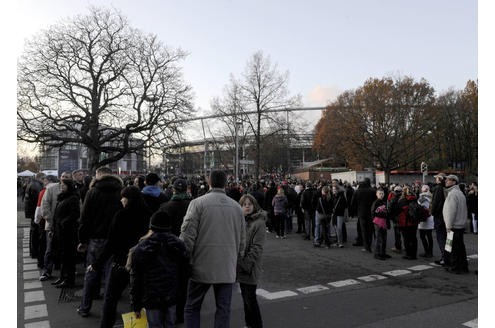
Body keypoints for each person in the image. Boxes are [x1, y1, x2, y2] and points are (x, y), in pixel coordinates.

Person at [179, 170, 246, 328]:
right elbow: (243, 240)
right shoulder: (236, 207)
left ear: (209, 182)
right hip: (227, 266)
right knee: (223, 310)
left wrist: (185, 259)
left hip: (200, 265)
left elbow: (187, 236)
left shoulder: (197, 203)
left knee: (192, 307)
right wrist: (238, 258)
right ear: (225, 183)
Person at [87, 186, 153, 328]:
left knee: (111, 298)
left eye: (123, 197)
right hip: (142, 263)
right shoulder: (148, 214)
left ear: (128, 199)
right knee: (137, 300)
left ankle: (106, 325)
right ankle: (137, 325)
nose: (121, 200)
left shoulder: (121, 215)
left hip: (121, 262)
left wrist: (96, 264)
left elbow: (111, 243)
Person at [77, 167, 124, 317]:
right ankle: (109, 310)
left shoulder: (92, 192)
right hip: (115, 238)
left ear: (98, 176)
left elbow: (85, 218)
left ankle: (85, 307)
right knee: (111, 276)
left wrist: (82, 240)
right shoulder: (120, 191)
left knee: (92, 272)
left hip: (96, 238)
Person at [130, 211, 189, 327]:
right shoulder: (179, 245)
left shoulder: (141, 248)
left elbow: (136, 279)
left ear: (151, 226)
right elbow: (184, 276)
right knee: (170, 323)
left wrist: (135, 304)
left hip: (151, 297)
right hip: (172, 296)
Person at [157, 178, 192, 324]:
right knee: (184, 284)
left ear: (173, 190)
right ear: (186, 189)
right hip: (187, 248)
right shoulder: (193, 205)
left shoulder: (165, 206)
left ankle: (170, 313)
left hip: (169, 249)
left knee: (170, 282)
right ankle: (180, 314)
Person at [237, 194, 267, 328]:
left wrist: (246, 264)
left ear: (254, 205)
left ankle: (256, 325)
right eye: (244, 204)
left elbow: (257, 248)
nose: (247, 206)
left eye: (249, 204)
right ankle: (249, 324)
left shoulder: (259, 223)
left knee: (250, 299)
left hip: (250, 266)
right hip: (241, 266)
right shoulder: (241, 221)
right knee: (245, 298)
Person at [39, 171, 73, 281]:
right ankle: (46, 271)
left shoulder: (73, 191)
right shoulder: (51, 189)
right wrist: (52, 221)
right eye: (63, 176)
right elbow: (44, 206)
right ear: (60, 178)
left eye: (67, 177)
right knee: (49, 249)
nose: (64, 178)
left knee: (64, 250)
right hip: (52, 226)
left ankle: (63, 274)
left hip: (66, 227)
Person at [51, 179, 81, 288]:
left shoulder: (73, 197)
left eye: (64, 185)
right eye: (61, 184)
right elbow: (56, 214)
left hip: (68, 232)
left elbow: (75, 214)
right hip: (60, 231)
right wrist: (54, 227)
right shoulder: (62, 196)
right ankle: (63, 277)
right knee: (62, 256)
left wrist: (63, 222)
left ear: (69, 186)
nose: (61, 186)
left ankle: (69, 280)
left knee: (69, 257)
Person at [442, 175, 469, 274]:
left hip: (453, 226)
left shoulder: (452, 194)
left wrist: (448, 226)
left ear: (454, 182)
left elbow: (450, 212)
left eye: (448, 180)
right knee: (460, 247)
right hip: (460, 225)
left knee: (453, 248)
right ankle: (463, 266)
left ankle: (455, 267)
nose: (446, 181)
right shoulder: (460, 193)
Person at [350, 178, 376, 252]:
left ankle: (366, 246)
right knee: (370, 229)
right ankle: (369, 243)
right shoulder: (372, 191)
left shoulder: (357, 191)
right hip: (370, 212)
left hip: (361, 212)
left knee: (363, 229)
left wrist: (352, 212)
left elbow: (353, 203)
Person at [25, 172, 45, 259]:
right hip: (35, 212)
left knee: (33, 232)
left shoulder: (31, 184)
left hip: (31, 212)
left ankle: (33, 252)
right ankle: (35, 252)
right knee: (35, 233)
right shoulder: (36, 186)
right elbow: (39, 201)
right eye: (44, 179)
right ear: (41, 178)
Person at [396, 186, 419, 260]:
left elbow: (398, 211)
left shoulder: (402, 200)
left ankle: (408, 254)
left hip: (405, 222)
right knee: (414, 238)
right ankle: (414, 254)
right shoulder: (415, 199)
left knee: (406, 239)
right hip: (414, 222)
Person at [431, 173, 449, 266]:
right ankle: (447, 257)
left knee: (441, 237)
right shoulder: (446, 188)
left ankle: (444, 257)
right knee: (446, 238)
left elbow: (436, 202)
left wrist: (432, 212)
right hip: (445, 215)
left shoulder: (438, 188)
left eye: (437, 178)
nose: (435, 179)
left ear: (440, 179)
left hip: (439, 215)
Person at [371, 188, 390, 260]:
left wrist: (388, 223)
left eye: (382, 193)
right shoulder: (375, 202)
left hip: (384, 222)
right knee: (378, 239)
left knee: (384, 238)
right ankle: (377, 254)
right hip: (378, 223)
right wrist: (375, 222)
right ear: (376, 194)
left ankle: (383, 253)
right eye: (380, 193)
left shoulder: (384, 202)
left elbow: (387, 213)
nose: (381, 195)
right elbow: (372, 213)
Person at [418, 185, 434, 258]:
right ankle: (430, 252)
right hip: (431, 218)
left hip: (423, 219)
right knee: (429, 236)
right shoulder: (432, 197)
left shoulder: (421, 197)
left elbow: (419, 207)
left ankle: (426, 251)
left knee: (422, 236)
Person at [387, 185, 403, 254]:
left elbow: (390, 209)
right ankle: (405, 246)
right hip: (403, 218)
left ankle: (398, 247)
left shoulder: (393, 199)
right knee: (404, 233)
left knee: (397, 233)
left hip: (396, 218)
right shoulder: (404, 198)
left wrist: (391, 217)